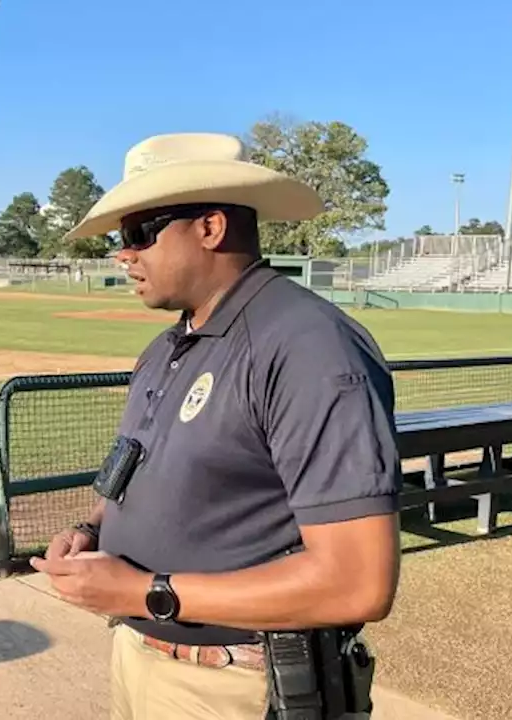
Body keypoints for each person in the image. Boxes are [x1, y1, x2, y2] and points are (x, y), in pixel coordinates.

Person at [29, 133, 402, 720]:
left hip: (236, 683)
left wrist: (142, 592)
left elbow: (358, 582)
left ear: (210, 228)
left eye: (138, 233)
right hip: (141, 655)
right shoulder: (168, 347)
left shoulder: (308, 346)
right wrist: (91, 533)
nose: (123, 255)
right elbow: (146, 474)